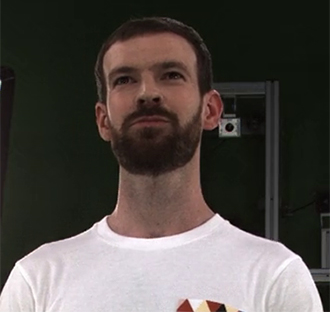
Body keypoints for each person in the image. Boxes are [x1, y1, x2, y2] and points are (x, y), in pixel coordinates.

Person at [0, 17, 323, 312]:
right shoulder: (37, 281)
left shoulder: (273, 277)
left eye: (171, 75)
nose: (147, 93)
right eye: (125, 79)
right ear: (103, 120)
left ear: (210, 110)